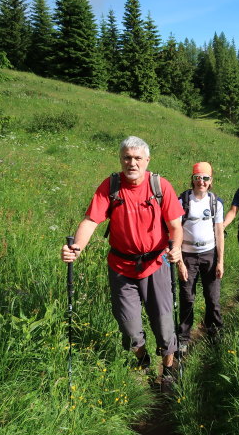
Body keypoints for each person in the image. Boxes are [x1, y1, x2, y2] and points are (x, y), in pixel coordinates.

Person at [60, 136, 184, 385]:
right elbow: (91, 220)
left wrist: (177, 248)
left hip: (156, 264)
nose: (132, 163)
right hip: (120, 267)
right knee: (129, 327)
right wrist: (77, 248)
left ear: (147, 160)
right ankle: (142, 360)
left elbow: (175, 225)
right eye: (127, 157)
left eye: (138, 158)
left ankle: (169, 368)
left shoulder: (160, 186)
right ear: (121, 159)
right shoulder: (111, 186)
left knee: (164, 323)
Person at [177, 162, 224, 350]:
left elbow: (219, 232)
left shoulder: (215, 202)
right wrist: (179, 262)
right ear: (192, 179)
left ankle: (215, 331)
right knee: (187, 298)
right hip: (187, 256)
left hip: (209, 255)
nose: (201, 182)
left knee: (212, 297)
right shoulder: (183, 201)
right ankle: (183, 338)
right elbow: (175, 231)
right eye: (197, 178)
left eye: (205, 178)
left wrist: (220, 261)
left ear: (211, 181)